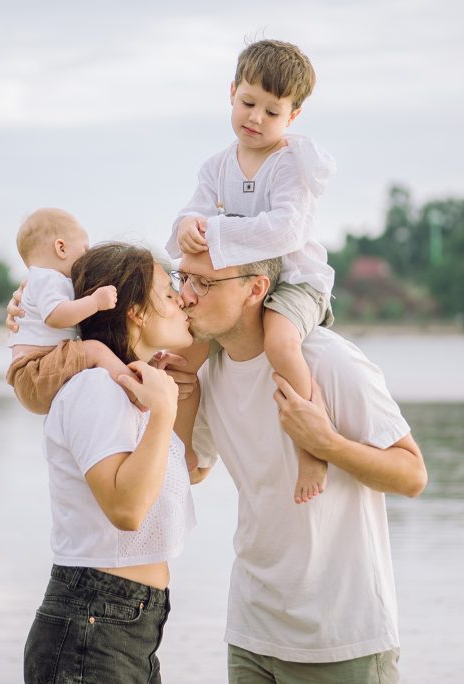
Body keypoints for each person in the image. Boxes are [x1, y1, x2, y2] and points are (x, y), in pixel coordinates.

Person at [175, 248, 428, 683]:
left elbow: (412, 475)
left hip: (341, 639)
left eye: (204, 282)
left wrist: (327, 444)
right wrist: (174, 396)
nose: (186, 296)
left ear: (255, 288)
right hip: (251, 631)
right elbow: (192, 471)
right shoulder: (209, 372)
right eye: (183, 278)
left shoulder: (329, 362)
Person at [20, 242, 199, 684]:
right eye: (169, 292)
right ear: (135, 310)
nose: (182, 300)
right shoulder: (96, 388)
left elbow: (191, 472)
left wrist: (177, 395)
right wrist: (164, 413)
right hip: (93, 622)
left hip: (126, 623)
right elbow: (127, 510)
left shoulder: (131, 386)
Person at [167, 39, 337, 504]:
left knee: (282, 342)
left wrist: (216, 233)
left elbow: (285, 231)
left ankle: (311, 448)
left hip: (294, 283)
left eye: (272, 111)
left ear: (293, 117)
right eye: (248, 102)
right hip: (236, 289)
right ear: (231, 93)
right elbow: (194, 210)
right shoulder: (216, 166)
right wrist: (188, 228)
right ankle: (183, 454)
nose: (256, 118)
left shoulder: (291, 165)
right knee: (183, 357)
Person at [6, 207, 131, 414]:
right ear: (61, 248)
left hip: (39, 372)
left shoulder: (46, 281)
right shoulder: (46, 278)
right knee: (94, 350)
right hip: (35, 371)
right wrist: (95, 302)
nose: (87, 257)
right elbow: (56, 316)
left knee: (90, 353)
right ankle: (134, 390)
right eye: (84, 250)